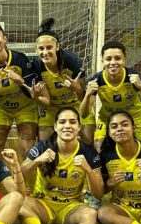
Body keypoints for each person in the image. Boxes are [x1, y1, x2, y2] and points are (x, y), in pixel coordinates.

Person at [18, 107, 104, 224]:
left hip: (70, 208)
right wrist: (37, 161)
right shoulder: (42, 147)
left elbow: (98, 193)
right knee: (20, 202)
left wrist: (89, 171)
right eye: (62, 122)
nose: (67, 126)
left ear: (79, 127)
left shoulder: (88, 152)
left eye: (72, 122)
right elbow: (18, 175)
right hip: (43, 205)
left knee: (90, 212)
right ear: (55, 126)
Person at [0, 21, 43, 158]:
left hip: (25, 107)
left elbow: (31, 94)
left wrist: (20, 80)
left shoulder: (20, 59)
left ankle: (27, 173)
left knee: (28, 150)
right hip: (2, 110)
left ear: (4, 39)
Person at [79, 40, 141, 150]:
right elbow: (83, 115)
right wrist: (87, 95)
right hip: (108, 118)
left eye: (117, 58)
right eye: (108, 59)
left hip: (135, 116)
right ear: (102, 61)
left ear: (124, 59)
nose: (113, 62)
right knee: (98, 148)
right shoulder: (96, 81)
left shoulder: (133, 77)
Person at [29, 17, 94, 145]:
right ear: (36, 50)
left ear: (57, 46)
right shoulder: (36, 66)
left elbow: (83, 97)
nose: (45, 52)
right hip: (52, 108)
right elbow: (46, 102)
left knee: (89, 144)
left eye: (49, 47)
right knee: (44, 145)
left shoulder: (72, 61)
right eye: (41, 49)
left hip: (76, 104)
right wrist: (36, 97)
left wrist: (77, 88)